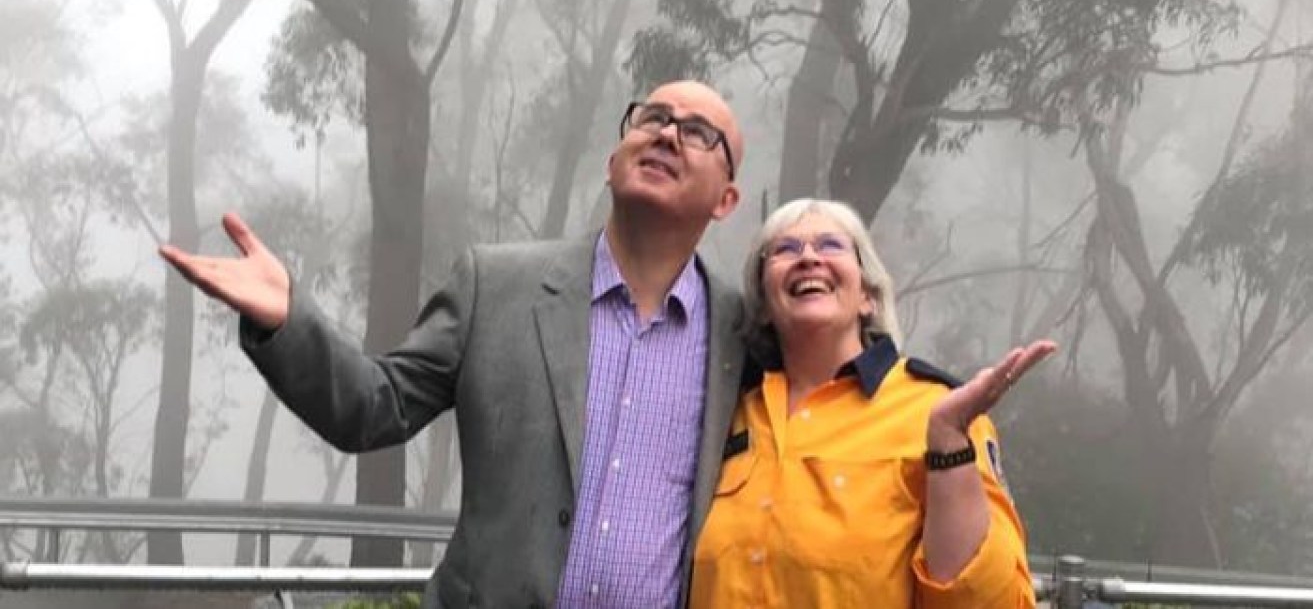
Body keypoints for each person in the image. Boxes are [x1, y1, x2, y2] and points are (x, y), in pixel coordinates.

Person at [160, 80, 747, 609]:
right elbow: (373, 407)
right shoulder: (496, 286)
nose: (667, 134)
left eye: (696, 132)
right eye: (651, 117)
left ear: (726, 200)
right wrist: (289, 320)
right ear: (612, 161)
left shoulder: (740, 337)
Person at [690, 198, 1052, 608]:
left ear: (868, 296)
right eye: (785, 250)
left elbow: (995, 602)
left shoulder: (937, 411)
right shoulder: (725, 414)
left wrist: (950, 448)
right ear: (764, 306)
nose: (808, 258)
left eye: (831, 245)